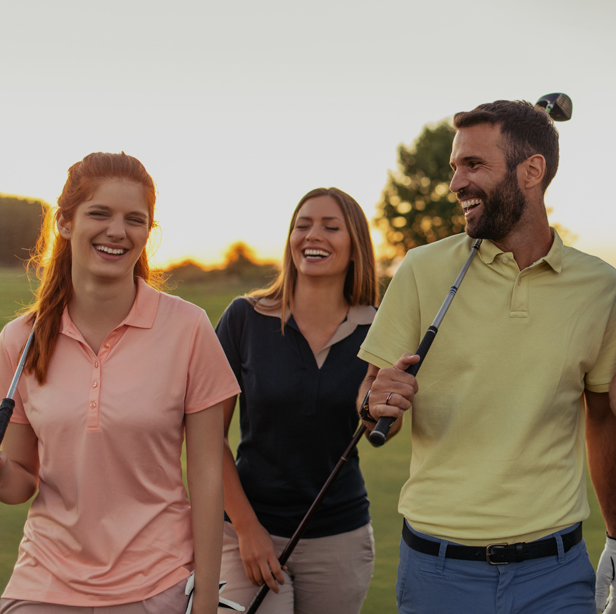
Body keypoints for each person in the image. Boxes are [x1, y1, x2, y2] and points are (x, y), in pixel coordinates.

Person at [357, 100, 616, 613]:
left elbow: (603, 417)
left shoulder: (600, 287)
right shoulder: (420, 269)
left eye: (473, 165)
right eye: (455, 168)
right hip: (437, 572)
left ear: (532, 171)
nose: (455, 184)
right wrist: (374, 402)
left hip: (557, 573)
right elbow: (369, 395)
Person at [0, 152, 240, 614]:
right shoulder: (19, 341)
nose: (117, 230)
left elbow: (208, 475)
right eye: (99, 213)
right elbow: (18, 484)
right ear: (65, 223)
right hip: (42, 583)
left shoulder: (189, 328)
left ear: (148, 233)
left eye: (135, 219)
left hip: (158, 584)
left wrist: (207, 598)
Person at [214, 187, 378, 614]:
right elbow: (207, 438)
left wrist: (379, 409)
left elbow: (384, 424)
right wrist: (248, 530)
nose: (312, 235)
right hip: (248, 533)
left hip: (340, 537)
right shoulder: (243, 319)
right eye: (302, 226)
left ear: (355, 244)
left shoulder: (378, 328)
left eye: (330, 226)